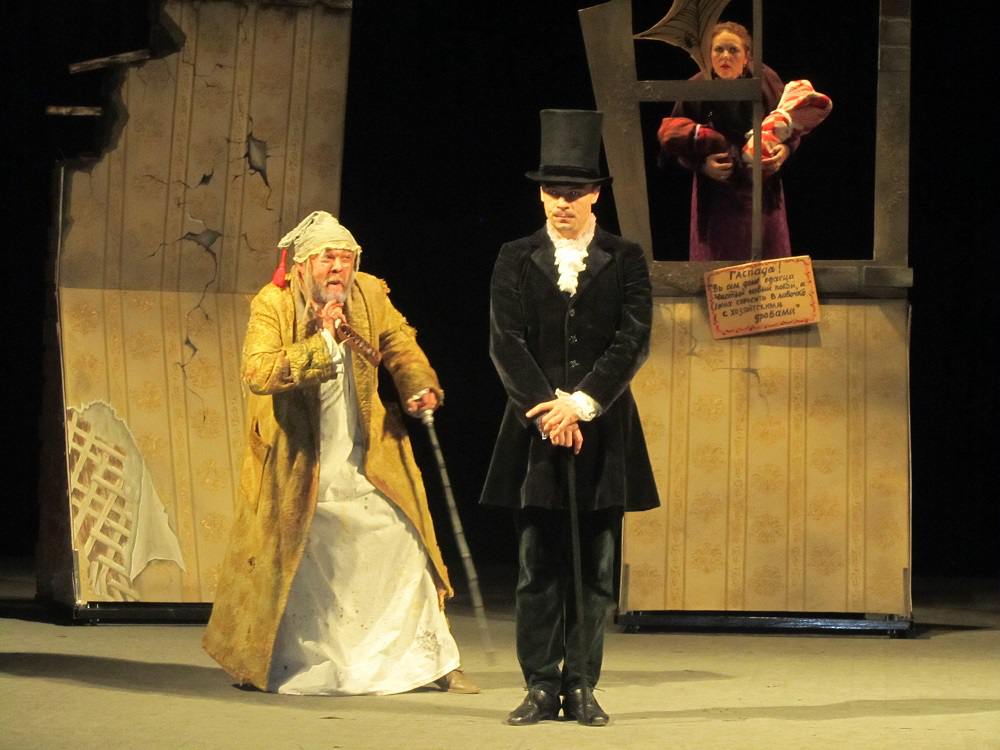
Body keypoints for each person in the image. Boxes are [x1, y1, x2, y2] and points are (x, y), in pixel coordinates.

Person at [203, 210, 477, 697]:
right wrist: (325, 342)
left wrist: (416, 383)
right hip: (298, 460)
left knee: (405, 540)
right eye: (327, 258)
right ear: (302, 265)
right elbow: (259, 372)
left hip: (362, 451)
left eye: (346, 258)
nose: (337, 268)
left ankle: (429, 659)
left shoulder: (369, 293)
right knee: (299, 553)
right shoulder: (274, 303)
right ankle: (275, 662)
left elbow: (398, 341)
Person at [481, 110, 660, 726]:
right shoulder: (514, 256)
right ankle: (539, 685)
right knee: (537, 566)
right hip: (534, 430)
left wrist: (580, 404)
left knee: (595, 568)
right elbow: (506, 342)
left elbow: (633, 339)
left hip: (602, 430)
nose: (563, 202)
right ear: (540, 195)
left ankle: (581, 684)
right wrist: (548, 411)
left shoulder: (625, 257)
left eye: (575, 191)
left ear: (595, 195)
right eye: (553, 191)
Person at [660, 21, 798, 261]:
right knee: (717, 265)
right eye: (719, 49)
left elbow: (792, 122)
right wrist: (702, 166)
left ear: (746, 57)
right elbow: (672, 143)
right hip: (716, 196)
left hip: (761, 191)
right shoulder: (697, 87)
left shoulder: (765, 80)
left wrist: (784, 150)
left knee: (768, 263)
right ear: (708, 55)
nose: (725, 56)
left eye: (733, 50)